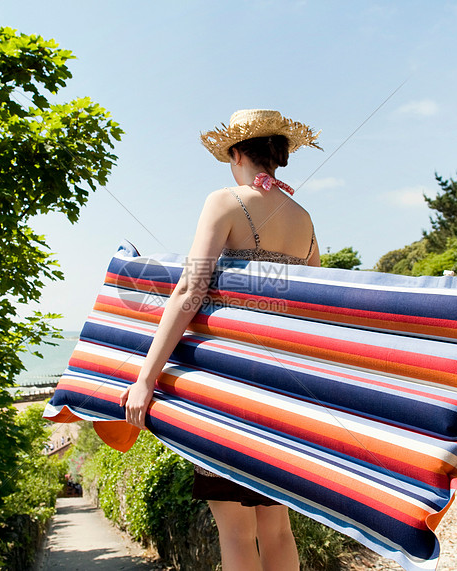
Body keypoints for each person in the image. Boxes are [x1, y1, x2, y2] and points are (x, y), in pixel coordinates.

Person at [119, 109, 321, 571]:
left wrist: (146, 378)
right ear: (279, 156)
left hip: (230, 386)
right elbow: (312, 307)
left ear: (236, 153)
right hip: (285, 390)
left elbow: (191, 289)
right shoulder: (306, 219)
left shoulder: (225, 200)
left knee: (233, 531)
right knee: (278, 528)